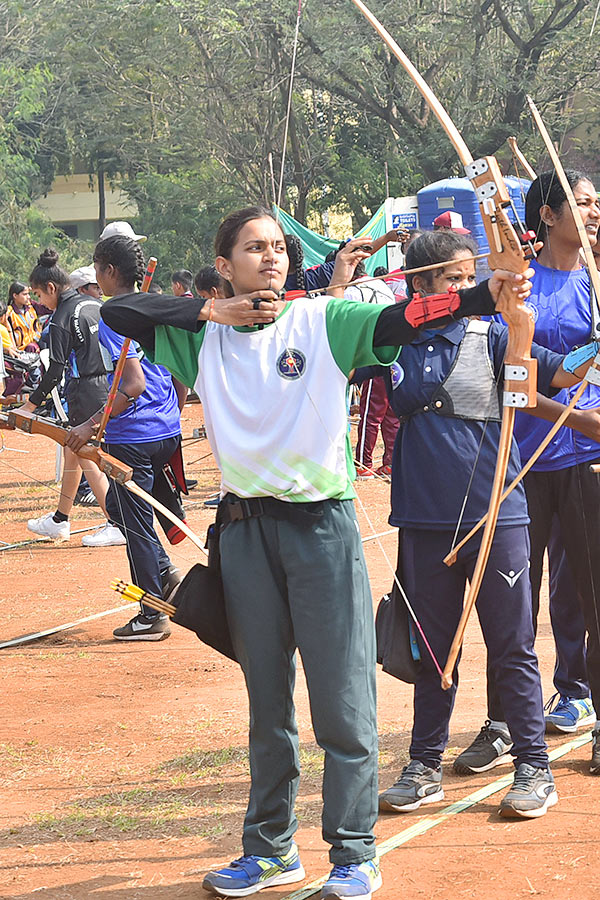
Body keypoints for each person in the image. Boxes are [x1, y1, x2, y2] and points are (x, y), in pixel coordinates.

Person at [101, 205, 532, 899]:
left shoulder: (323, 320)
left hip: (320, 529)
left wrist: (488, 293)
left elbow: (404, 320)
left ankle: (354, 853)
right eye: (254, 248)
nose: (272, 257)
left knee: (341, 701)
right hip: (244, 533)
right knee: (267, 700)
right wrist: (214, 314)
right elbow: (118, 310)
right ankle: (270, 849)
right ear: (225, 265)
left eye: (278, 247)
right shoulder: (196, 339)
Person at [357, 229, 597, 819]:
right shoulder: (393, 340)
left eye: (469, 278)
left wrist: (575, 345)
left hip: (497, 513)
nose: (466, 289)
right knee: (434, 649)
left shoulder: (495, 332)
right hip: (422, 515)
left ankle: (534, 765)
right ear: (419, 285)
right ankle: (424, 764)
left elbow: (559, 375)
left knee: (512, 644)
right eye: (453, 279)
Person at [456, 170, 600, 778]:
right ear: (544, 214)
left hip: (587, 464)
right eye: (580, 202)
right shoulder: (520, 284)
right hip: (521, 461)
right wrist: (579, 416)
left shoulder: (596, 280)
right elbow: (515, 378)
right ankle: (503, 723)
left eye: (596, 202)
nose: (592, 212)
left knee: (594, 596)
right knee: (512, 598)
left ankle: (583, 702)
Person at [66, 234, 183, 640]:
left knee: (133, 523)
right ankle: (163, 570)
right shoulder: (153, 307)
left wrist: (90, 425)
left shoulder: (115, 314)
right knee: (120, 505)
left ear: (109, 272)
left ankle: (152, 612)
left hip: (134, 434)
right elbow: (177, 372)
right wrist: (171, 415)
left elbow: (130, 383)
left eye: (98, 272)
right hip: (165, 428)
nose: (97, 282)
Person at [19, 249, 123, 547]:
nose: (39, 301)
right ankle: (60, 519)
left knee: (84, 451)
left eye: (39, 294)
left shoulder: (61, 317)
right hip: (111, 383)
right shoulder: (93, 302)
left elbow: (54, 371)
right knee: (72, 450)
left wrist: (29, 406)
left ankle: (115, 523)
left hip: (86, 388)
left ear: (51, 288)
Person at [344, 267, 399, 479]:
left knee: (370, 413)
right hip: (393, 352)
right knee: (390, 412)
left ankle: (363, 462)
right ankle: (390, 463)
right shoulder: (383, 286)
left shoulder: (351, 290)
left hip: (372, 355)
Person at [6, 282, 41, 351]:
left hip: (35, 346)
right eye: (25, 294)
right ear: (15, 295)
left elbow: (48, 309)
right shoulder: (9, 312)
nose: (28, 297)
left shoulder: (31, 307)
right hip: (20, 350)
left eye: (28, 294)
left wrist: (35, 289)